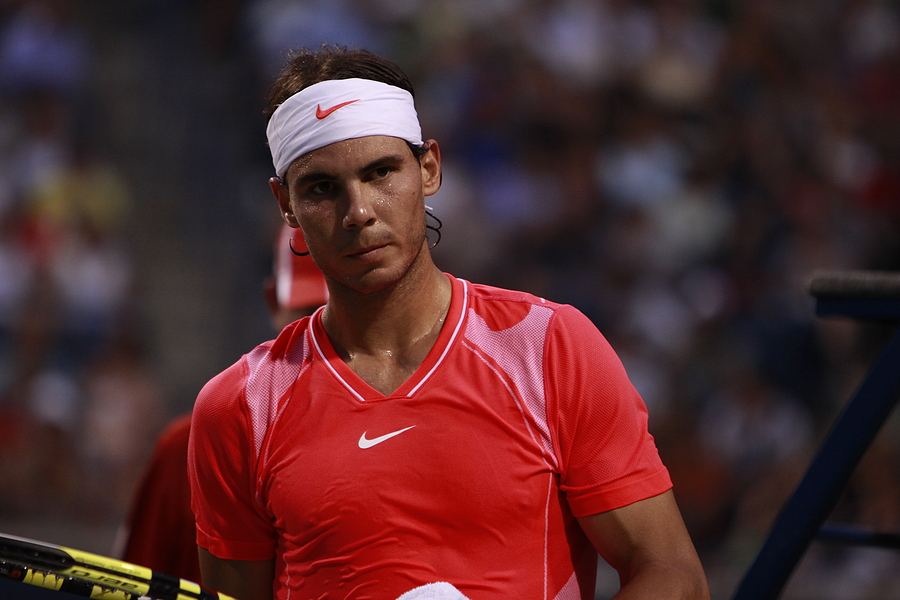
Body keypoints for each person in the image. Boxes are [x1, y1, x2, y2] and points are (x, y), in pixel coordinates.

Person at [187, 45, 709, 600]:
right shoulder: (238, 408)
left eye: (381, 172)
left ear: (429, 168)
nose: (358, 211)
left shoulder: (549, 348)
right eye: (321, 188)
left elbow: (671, 575)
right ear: (285, 204)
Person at [115, 224, 328, 584]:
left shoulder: (409, 431)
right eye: (309, 310)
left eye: (337, 311)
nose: (322, 332)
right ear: (273, 303)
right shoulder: (185, 448)